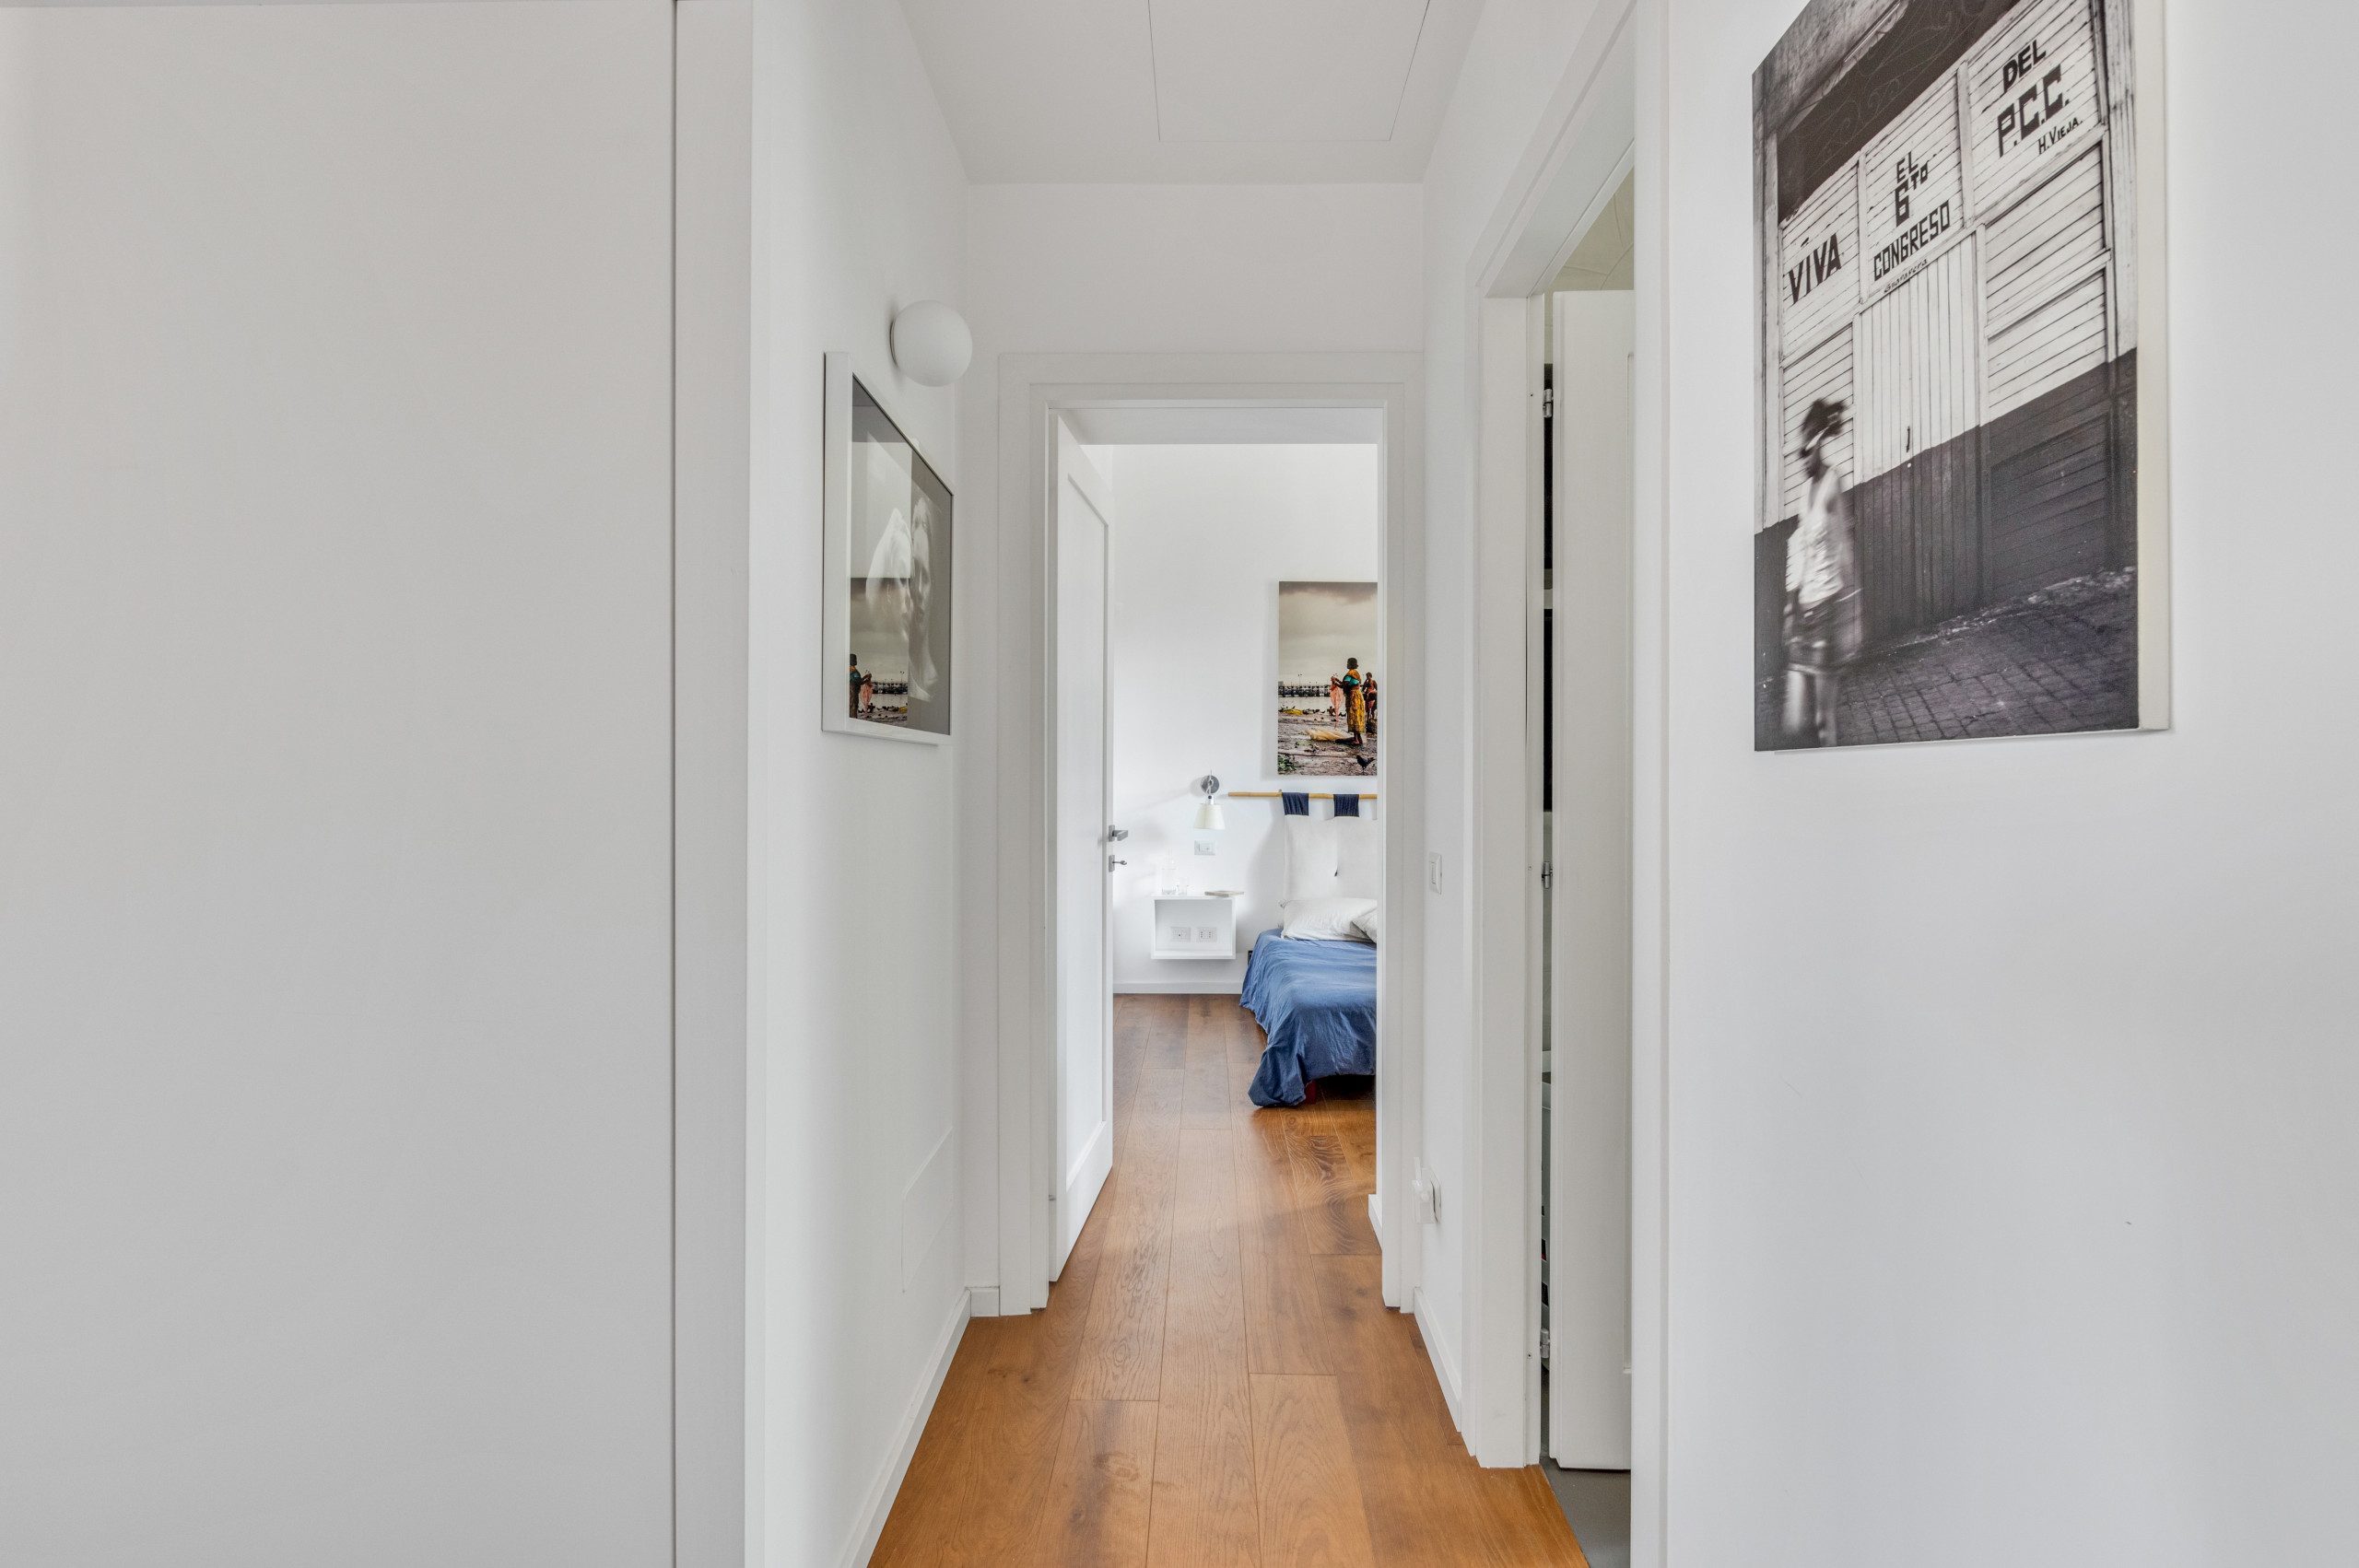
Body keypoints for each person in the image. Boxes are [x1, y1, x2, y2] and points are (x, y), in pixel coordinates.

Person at [1783, 398, 1859, 746]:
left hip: (1828, 607)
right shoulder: (1802, 492)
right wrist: (1790, 607)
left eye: (1804, 451)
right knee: (1793, 721)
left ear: (1817, 444)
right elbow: (1799, 549)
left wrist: (1853, 614)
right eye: (1798, 454)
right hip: (1805, 610)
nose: (1801, 461)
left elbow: (1844, 545)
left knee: (1822, 721)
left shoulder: (1832, 482)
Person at [1343, 658, 1367, 743]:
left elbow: (1344, 685)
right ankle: (1359, 738)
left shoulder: (1350, 673)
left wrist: (1335, 682)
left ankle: (1356, 739)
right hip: (1358, 694)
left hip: (1353, 695)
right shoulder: (1356, 673)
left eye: (1348, 663)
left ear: (1350, 664)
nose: (1347, 664)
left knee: (1353, 715)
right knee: (1358, 715)